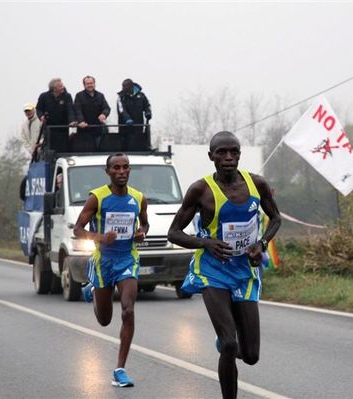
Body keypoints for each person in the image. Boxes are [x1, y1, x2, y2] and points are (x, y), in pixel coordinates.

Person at [167, 131, 281, 399]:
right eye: (222, 153)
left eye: (234, 152)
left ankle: (226, 340)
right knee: (230, 345)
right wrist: (205, 243)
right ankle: (226, 347)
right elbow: (174, 233)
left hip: (244, 272)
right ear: (211, 157)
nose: (228, 158)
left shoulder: (258, 185)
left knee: (251, 355)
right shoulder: (201, 190)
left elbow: (275, 218)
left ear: (239, 155)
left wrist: (262, 244)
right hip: (213, 271)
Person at [73, 153, 149, 388]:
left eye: (125, 167)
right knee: (105, 320)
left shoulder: (138, 198)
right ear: (108, 172)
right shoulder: (97, 198)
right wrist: (99, 237)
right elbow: (77, 229)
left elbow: (144, 223)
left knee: (128, 311)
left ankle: (119, 370)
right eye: (116, 167)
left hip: (128, 260)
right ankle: (93, 288)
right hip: (103, 261)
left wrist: (141, 233)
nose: (121, 171)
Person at [35, 78, 77, 151]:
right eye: (60, 86)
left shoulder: (67, 96)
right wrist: (41, 116)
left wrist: (72, 121)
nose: (62, 87)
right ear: (54, 88)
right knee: (50, 147)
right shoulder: (44, 96)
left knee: (63, 147)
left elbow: (70, 109)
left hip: (62, 127)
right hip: (49, 127)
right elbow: (38, 109)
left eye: (62, 85)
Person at [73, 75, 111, 150]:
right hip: (84, 129)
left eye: (91, 83)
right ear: (84, 85)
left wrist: (104, 114)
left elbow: (107, 108)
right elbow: (77, 110)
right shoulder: (79, 96)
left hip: (98, 129)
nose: (90, 85)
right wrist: (81, 121)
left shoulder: (100, 95)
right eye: (88, 83)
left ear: (94, 84)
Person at [116, 79, 152, 151]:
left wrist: (148, 112)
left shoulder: (141, 96)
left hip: (138, 125)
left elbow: (147, 105)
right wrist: (127, 118)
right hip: (125, 126)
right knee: (125, 143)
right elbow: (121, 110)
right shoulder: (121, 97)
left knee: (138, 141)